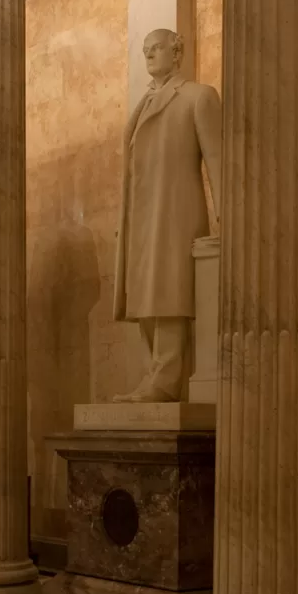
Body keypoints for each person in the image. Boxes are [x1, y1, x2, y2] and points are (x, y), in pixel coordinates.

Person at [112, 28, 223, 403]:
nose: (149, 55)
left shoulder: (198, 96)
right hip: (142, 217)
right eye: (145, 50)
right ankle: (154, 374)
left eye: (156, 48)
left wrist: (226, 215)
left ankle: (166, 378)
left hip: (175, 210)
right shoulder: (142, 103)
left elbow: (217, 160)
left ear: (177, 53)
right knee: (144, 296)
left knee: (169, 293)